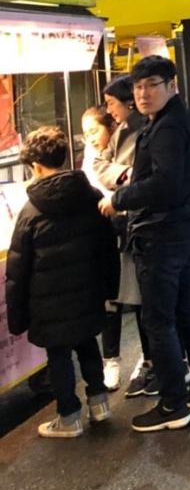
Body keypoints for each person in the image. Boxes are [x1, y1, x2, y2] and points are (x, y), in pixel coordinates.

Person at [101, 55, 190, 431]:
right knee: (185, 312)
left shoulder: (166, 127)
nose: (143, 93)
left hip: (162, 233)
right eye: (138, 87)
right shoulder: (171, 118)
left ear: (172, 86)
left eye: (152, 84)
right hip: (178, 227)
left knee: (159, 320)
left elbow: (164, 183)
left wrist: (119, 198)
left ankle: (172, 405)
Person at [6, 127, 119, 438]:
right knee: (87, 343)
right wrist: (110, 288)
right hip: (88, 291)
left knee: (58, 356)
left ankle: (68, 417)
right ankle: (99, 404)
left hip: (49, 302)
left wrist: (17, 316)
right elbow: (108, 247)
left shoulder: (30, 211)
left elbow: (17, 268)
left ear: (36, 167)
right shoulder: (91, 196)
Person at [95, 77, 152, 395]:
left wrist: (122, 177)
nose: (109, 110)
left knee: (139, 298)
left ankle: (153, 365)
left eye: (111, 103)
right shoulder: (123, 130)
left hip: (137, 225)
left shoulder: (138, 129)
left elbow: (127, 176)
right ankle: (141, 362)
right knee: (123, 297)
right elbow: (103, 166)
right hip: (127, 225)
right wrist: (123, 173)